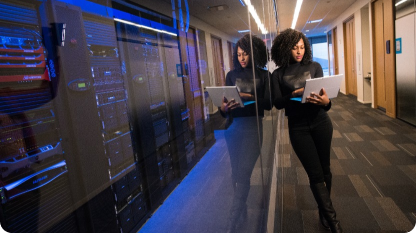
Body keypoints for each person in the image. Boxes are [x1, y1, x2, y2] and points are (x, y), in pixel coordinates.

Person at [270, 28, 343, 233]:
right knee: (315, 173)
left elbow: (324, 103)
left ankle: (323, 211)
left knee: (326, 170)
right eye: (294, 48)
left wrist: (327, 102)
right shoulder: (278, 74)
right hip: (298, 127)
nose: (299, 51)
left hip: (321, 123)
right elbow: (277, 103)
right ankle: (334, 221)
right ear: (285, 49)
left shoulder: (315, 66)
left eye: (302, 47)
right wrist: (295, 93)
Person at [220, 34, 272, 232]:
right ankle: (241, 208)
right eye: (239, 54)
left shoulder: (263, 75)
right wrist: (224, 108)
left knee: (243, 173)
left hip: (253, 128)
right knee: (235, 173)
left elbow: (268, 104)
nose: (242, 58)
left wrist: (249, 96)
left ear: (254, 53)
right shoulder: (231, 75)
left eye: (245, 54)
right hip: (234, 128)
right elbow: (223, 110)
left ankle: (232, 221)